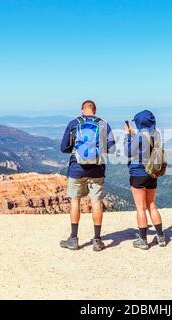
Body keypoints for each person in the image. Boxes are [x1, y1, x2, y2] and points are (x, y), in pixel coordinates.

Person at [59, 100, 116, 251]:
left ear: (82, 110)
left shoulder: (73, 123)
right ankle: (97, 240)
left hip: (76, 169)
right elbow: (112, 149)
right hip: (97, 169)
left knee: (75, 201)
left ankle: (73, 239)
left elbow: (63, 148)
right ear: (95, 111)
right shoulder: (104, 124)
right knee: (96, 201)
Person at [124, 110, 166, 250]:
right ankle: (161, 237)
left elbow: (128, 152)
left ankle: (143, 240)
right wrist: (134, 136)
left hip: (138, 173)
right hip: (152, 173)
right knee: (152, 206)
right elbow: (146, 145)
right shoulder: (157, 134)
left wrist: (127, 136)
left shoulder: (140, 137)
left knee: (140, 208)